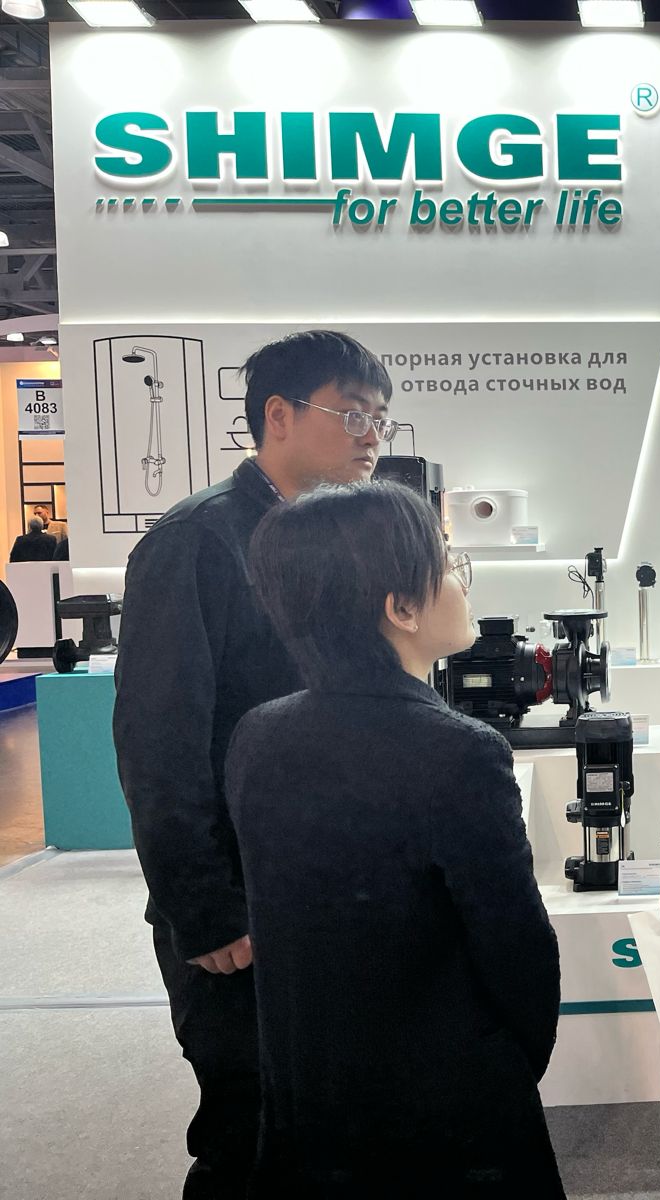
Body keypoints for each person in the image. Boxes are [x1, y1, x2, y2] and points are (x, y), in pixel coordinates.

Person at [111, 330, 394, 1198]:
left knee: (332, 1123)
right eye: (353, 414)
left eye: (381, 419)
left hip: (328, 884)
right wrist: (204, 910)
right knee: (249, 1133)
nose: (373, 437)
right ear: (279, 414)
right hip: (241, 903)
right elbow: (158, 742)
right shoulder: (197, 542)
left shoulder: (332, 539)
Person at [227, 482, 564, 1197]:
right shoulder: (459, 751)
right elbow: (516, 947)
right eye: (447, 563)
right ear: (402, 608)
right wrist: (508, 1067)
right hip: (448, 1104)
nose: (461, 580)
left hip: (308, 1094)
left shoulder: (257, 734)